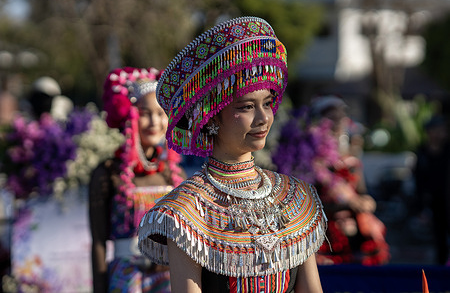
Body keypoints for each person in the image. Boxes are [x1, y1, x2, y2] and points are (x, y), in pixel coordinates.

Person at [138, 17, 326, 292]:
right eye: (248, 107)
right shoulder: (186, 212)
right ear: (211, 117)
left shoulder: (296, 198)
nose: (263, 118)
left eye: (268, 104)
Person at [89, 67, 186, 292]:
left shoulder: (175, 175)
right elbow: (98, 243)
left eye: (161, 113)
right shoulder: (107, 173)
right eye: (144, 113)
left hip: (168, 277)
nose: (154, 121)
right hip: (125, 279)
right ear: (130, 116)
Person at [309, 95, 390, 265]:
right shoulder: (309, 162)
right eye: (331, 117)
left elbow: (362, 192)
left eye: (341, 117)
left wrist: (366, 202)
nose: (337, 122)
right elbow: (309, 204)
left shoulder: (352, 160)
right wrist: (346, 205)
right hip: (325, 236)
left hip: (355, 233)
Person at [413, 115, 450, 265]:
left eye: (442, 130)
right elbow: (419, 181)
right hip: (434, 202)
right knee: (439, 238)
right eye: (436, 130)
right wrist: (421, 207)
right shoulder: (422, 152)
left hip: (448, 199)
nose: (440, 134)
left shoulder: (448, 150)